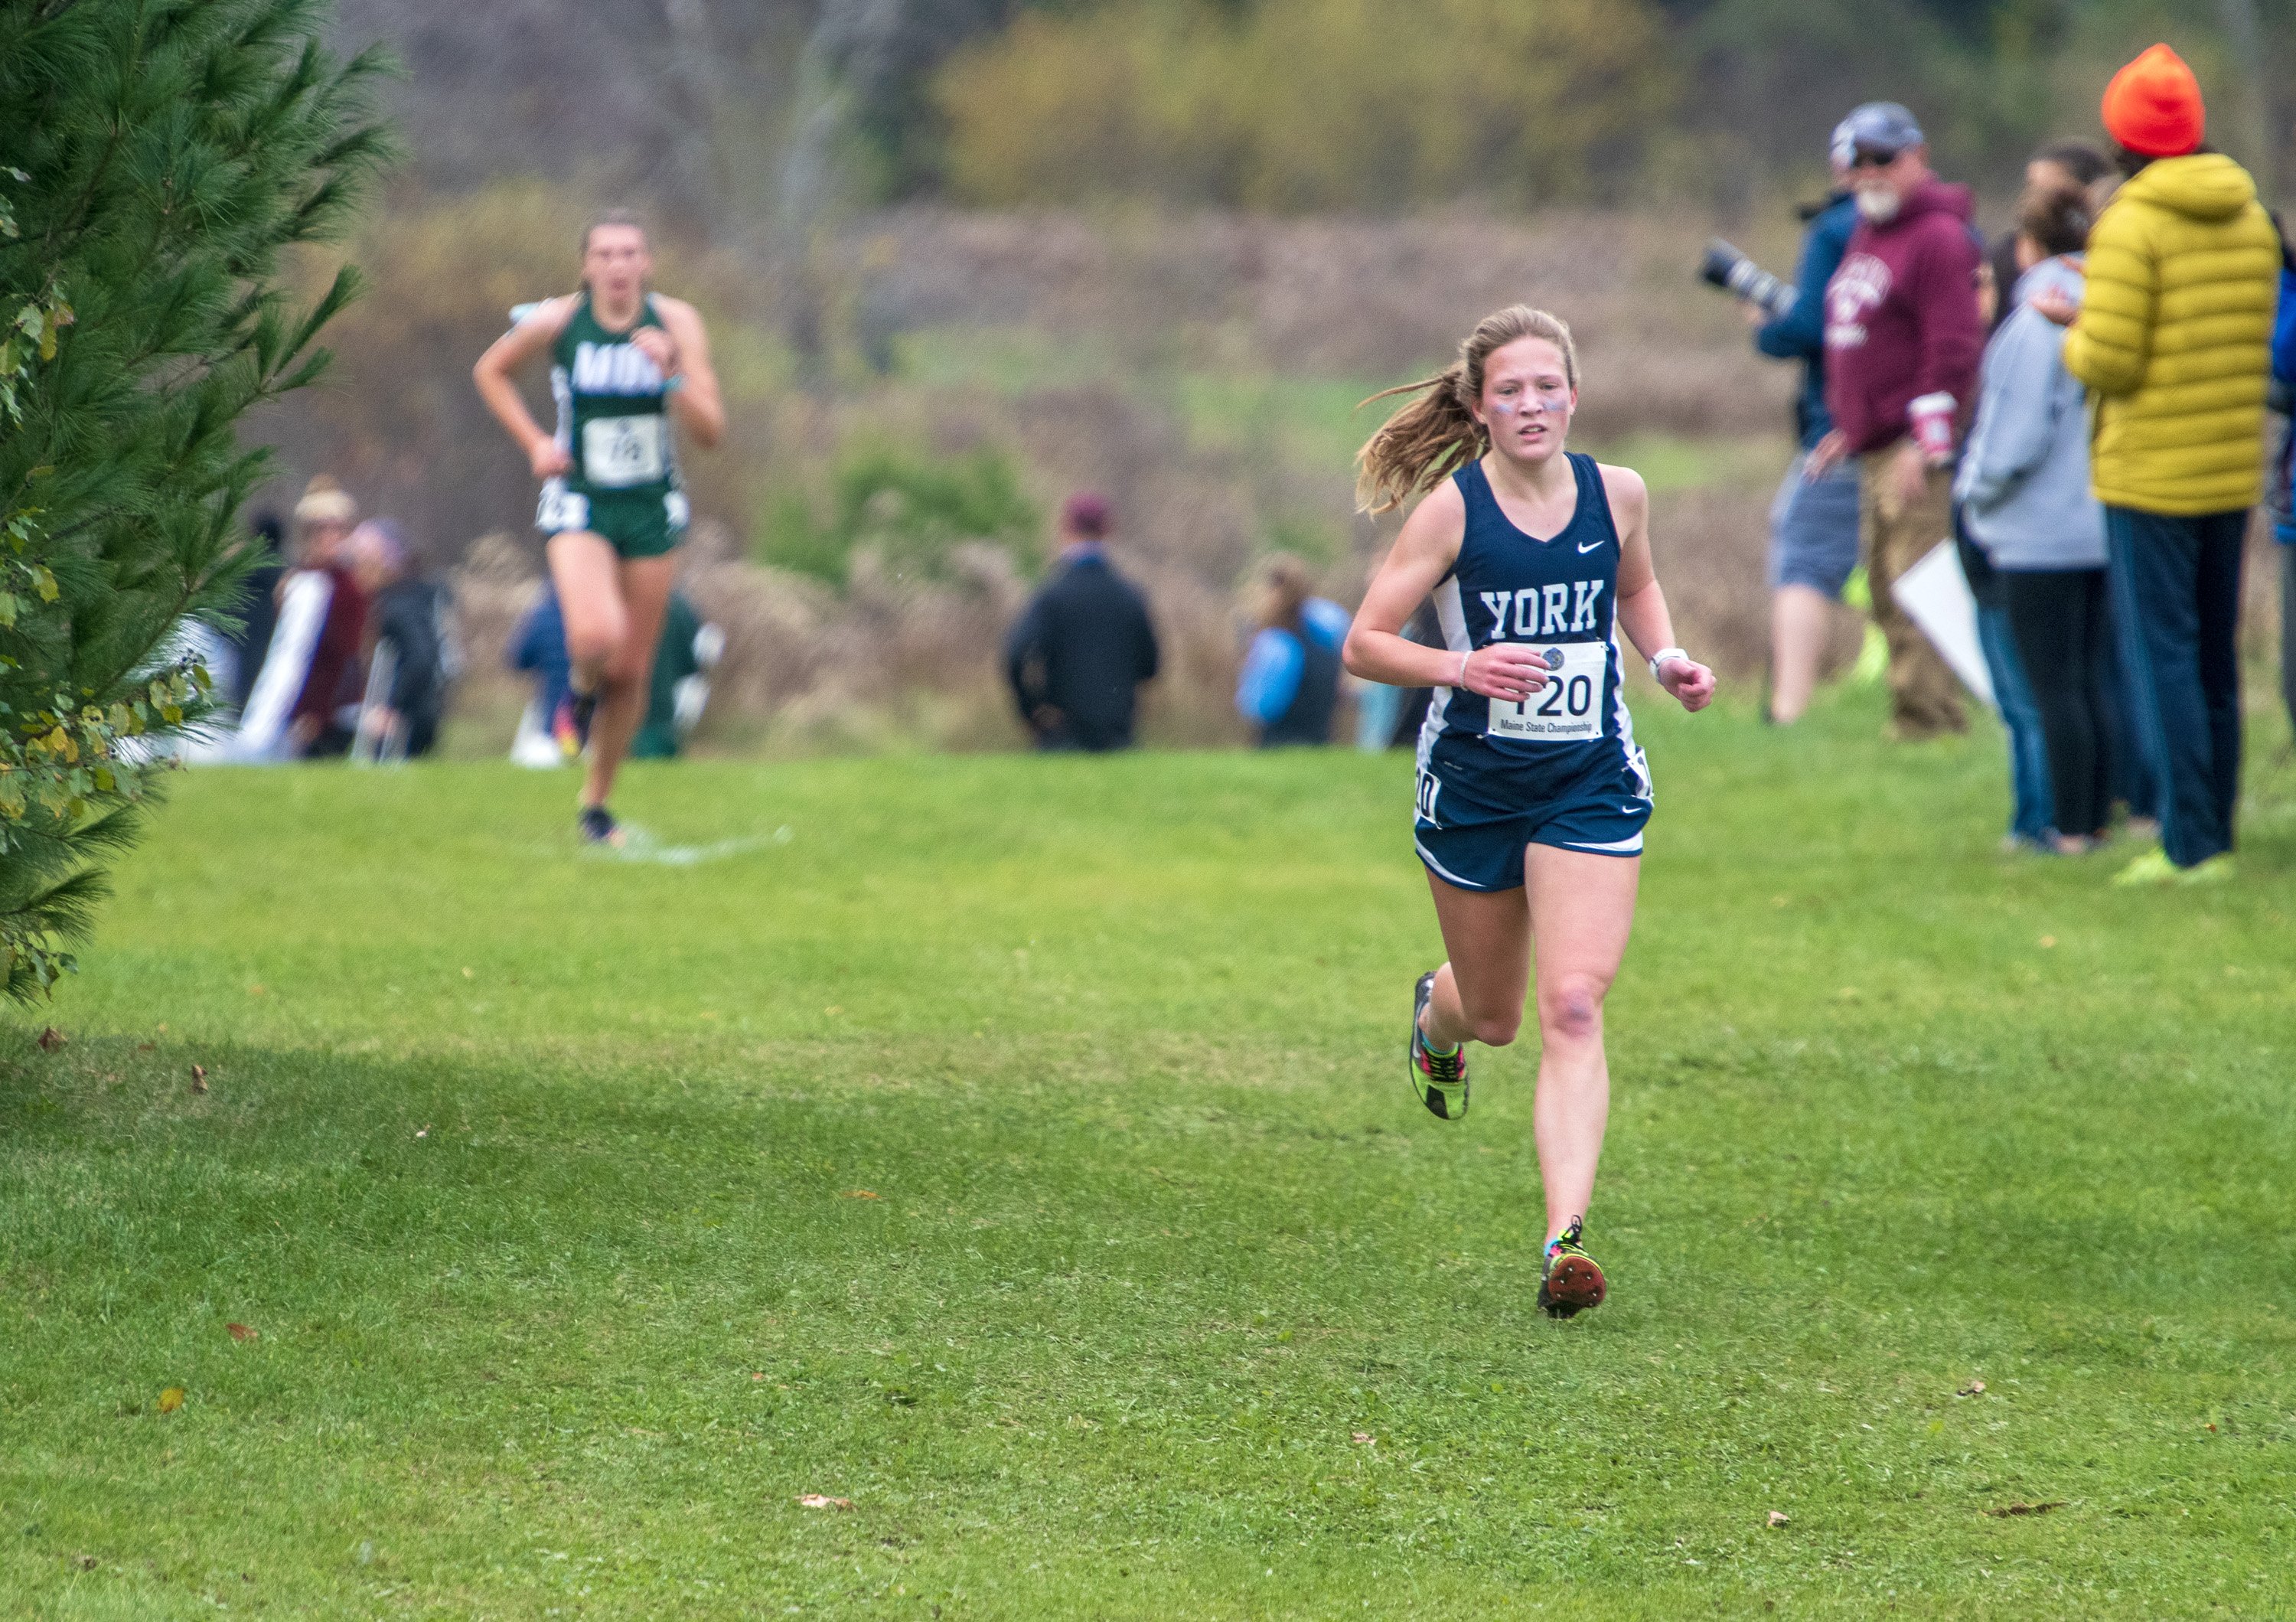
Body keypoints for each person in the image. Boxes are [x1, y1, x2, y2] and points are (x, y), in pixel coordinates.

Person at [1342, 306, 1715, 1320]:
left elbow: (1634, 589)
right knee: (1497, 1013)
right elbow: (1365, 643)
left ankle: (1565, 1239)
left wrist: (1666, 656)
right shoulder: (1454, 513)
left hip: (1588, 774)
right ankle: (1437, 1014)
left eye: (1546, 386)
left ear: (1573, 395)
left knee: (1576, 1002)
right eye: (1509, 390)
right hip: (1475, 784)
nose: (1530, 404)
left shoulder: (1619, 493)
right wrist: (1462, 666)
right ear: (1479, 406)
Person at [2036, 44, 2279, 884]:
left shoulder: (2132, 223)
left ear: (2124, 139)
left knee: (2162, 654)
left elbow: (2112, 361)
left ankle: (2187, 842)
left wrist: (2072, 322)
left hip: (2149, 474)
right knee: (2215, 653)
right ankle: (2217, 829)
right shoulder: (2251, 215)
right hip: (2228, 466)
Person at [473, 210, 725, 844]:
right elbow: (491, 372)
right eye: (605, 254)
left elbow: (711, 431)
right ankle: (576, 700)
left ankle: (596, 803)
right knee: (595, 635)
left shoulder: (677, 323)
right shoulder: (558, 320)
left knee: (631, 671)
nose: (618, 266)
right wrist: (535, 443)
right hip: (581, 498)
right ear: (587, 265)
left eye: (630, 253)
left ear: (648, 264)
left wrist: (671, 372)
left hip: (649, 504)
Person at [1811, 102, 1984, 741]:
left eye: (1885, 158)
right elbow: (1870, 340)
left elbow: (1954, 350)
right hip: (1876, 446)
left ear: (1919, 157)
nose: (1871, 172)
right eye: (1858, 161)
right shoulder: (1868, 230)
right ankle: (1914, 713)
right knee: (1885, 586)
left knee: (1919, 584)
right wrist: (1850, 428)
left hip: (1913, 450)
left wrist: (1923, 442)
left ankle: (1934, 721)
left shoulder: (1936, 237)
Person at [1958, 188, 2115, 853]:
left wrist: (1975, 492)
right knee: (2090, 679)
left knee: (2050, 688)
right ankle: (2099, 817)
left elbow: (2014, 438)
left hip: (2037, 535)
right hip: (2101, 524)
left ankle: (2067, 829)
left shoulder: (2033, 321)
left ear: (2028, 246)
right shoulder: (2109, 311)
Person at [1749, 125, 1861, 724]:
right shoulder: (1939, 229)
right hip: (1920, 432)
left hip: (1838, 431)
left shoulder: (1835, 229)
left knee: (1802, 559)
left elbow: (1810, 327)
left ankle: (1787, 711)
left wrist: (1767, 324)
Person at [1003, 492, 1160, 752]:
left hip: (1062, 733)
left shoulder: (1051, 595)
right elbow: (1150, 666)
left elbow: (1016, 654)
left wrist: (1031, 710)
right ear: (1108, 530)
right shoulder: (1130, 596)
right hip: (1117, 734)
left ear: (1066, 531)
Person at [348, 519, 458, 759]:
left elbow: (421, 658)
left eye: (360, 562)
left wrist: (392, 707)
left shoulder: (397, 605)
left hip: (406, 718)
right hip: (425, 710)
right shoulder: (417, 596)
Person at [1985, 142, 2110, 339]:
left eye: (2048, 189)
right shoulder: (2001, 256)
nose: (2035, 198)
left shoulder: (2102, 255)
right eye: (2030, 185)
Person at [285, 476, 368, 759]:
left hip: (338, 706)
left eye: (337, 529)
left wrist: (321, 713)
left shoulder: (350, 586)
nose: (329, 537)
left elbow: (347, 652)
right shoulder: (297, 582)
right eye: (321, 530)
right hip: (298, 703)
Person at [1235, 555, 1348, 746]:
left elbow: (1260, 708)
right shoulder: (1326, 634)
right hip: (1322, 741)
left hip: (1278, 742)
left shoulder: (1276, 644)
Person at [628, 588, 723, 759]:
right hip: (663, 717)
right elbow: (700, 657)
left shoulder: (613, 600)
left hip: (626, 716)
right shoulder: (678, 604)